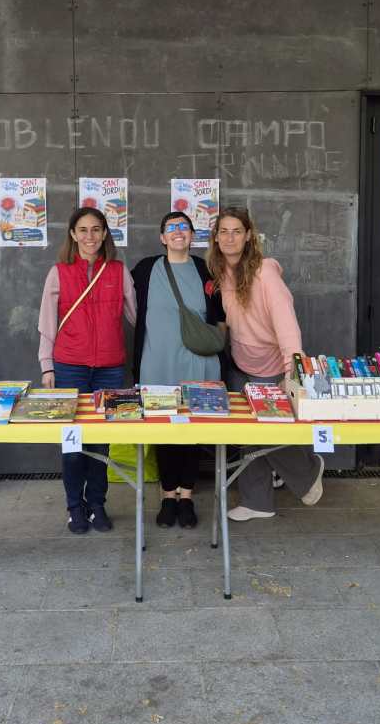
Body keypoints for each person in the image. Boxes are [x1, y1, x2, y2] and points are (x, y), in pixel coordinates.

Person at [208, 207, 324, 521]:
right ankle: (257, 501)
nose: (230, 238)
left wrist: (292, 370)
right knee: (248, 436)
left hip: (273, 367)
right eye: (224, 232)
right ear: (216, 238)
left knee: (273, 433)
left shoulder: (265, 273)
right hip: (240, 365)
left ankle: (308, 472)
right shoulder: (220, 272)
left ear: (248, 236)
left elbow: (287, 323)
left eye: (236, 231)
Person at [38, 207, 137, 534]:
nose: (90, 236)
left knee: (102, 442)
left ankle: (97, 503)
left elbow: (138, 317)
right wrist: (46, 365)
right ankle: (74, 507)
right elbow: (47, 324)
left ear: (105, 233)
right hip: (69, 366)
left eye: (96, 230)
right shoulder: (59, 272)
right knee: (72, 441)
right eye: (83, 230)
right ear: (72, 234)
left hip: (110, 368)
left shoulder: (119, 271)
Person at [131, 211, 226, 529]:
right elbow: (125, 303)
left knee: (192, 431)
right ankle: (167, 496)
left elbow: (220, 314)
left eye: (183, 227)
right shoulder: (145, 269)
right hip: (156, 363)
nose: (177, 232)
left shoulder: (205, 269)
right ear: (162, 237)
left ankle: (186, 495)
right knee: (162, 432)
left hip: (198, 362)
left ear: (192, 235)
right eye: (171, 228)